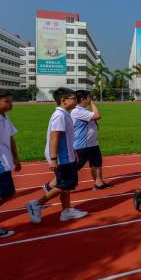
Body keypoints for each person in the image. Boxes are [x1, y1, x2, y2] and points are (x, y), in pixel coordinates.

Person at [26, 88, 88, 223]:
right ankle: (36, 204)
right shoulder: (59, 115)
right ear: (63, 100)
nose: (76, 100)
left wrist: (74, 152)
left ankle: (66, 211)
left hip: (67, 155)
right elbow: (55, 138)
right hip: (61, 157)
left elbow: (67, 138)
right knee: (66, 184)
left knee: (66, 185)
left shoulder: (65, 114)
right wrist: (54, 159)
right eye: (73, 98)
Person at [0, 89, 21, 238]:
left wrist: (15, 158)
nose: (11, 104)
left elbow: (10, 138)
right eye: (7, 101)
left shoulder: (4, 117)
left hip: (4, 162)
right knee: (7, 193)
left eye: (11, 100)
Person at [70, 91, 111, 190]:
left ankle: (99, 183)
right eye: (89, 97)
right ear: (83, 99)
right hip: (82, 145)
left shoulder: (83, 110)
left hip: (92, 143)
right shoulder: (77, 111)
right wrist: (92, 103)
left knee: (97, 163)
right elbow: (97, 115)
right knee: (75, 167)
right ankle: (54, 185)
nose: (91, 99)